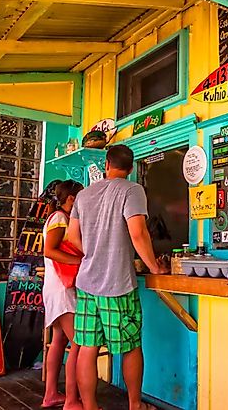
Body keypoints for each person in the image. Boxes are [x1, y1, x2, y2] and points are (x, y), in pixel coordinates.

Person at [66, 145, 168, 410]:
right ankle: (135, 405)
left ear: (106, 165)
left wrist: (92, 251)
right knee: (131, 346)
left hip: (86, 284)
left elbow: (71, 236)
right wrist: (154, 267)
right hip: (117, 285)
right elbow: (138, 233)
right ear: (131, 169)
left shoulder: (84, 195)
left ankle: (90, 407)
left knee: (87, 347)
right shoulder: (132, 190)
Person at [42, 179, 85, 409]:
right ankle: (72, 400)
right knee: (79, 343)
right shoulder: (59, 218)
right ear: (71, 199)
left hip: (57, 287)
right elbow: (50, 250)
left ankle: (51, 394)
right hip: (62, 290)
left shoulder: (60, 218)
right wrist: (81, 261)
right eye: (80, 197)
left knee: (59, 341)